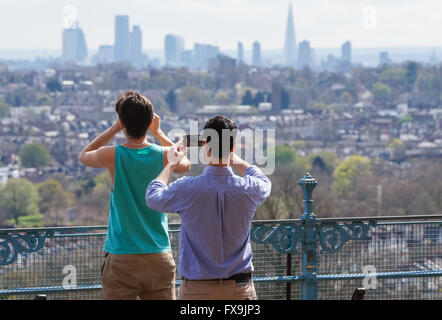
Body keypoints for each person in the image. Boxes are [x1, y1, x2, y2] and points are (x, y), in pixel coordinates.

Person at [79, 90, 190, 300]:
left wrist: (114, 129)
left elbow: (84, 155)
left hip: (122, 255)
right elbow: (184, 164)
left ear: (123, 122)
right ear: (150, 122)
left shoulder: (113, 154)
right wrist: (158, 133)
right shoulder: (163, 155)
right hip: (158, 254)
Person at [145, 115, 271, 300]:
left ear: (205, 148)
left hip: (197, 289)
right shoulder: (249, 189)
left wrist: (171, 164)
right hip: (240, 288)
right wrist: (234, 160)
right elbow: (264, 181)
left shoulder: (188, 188)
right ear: (233, 147)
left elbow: (152, 197)